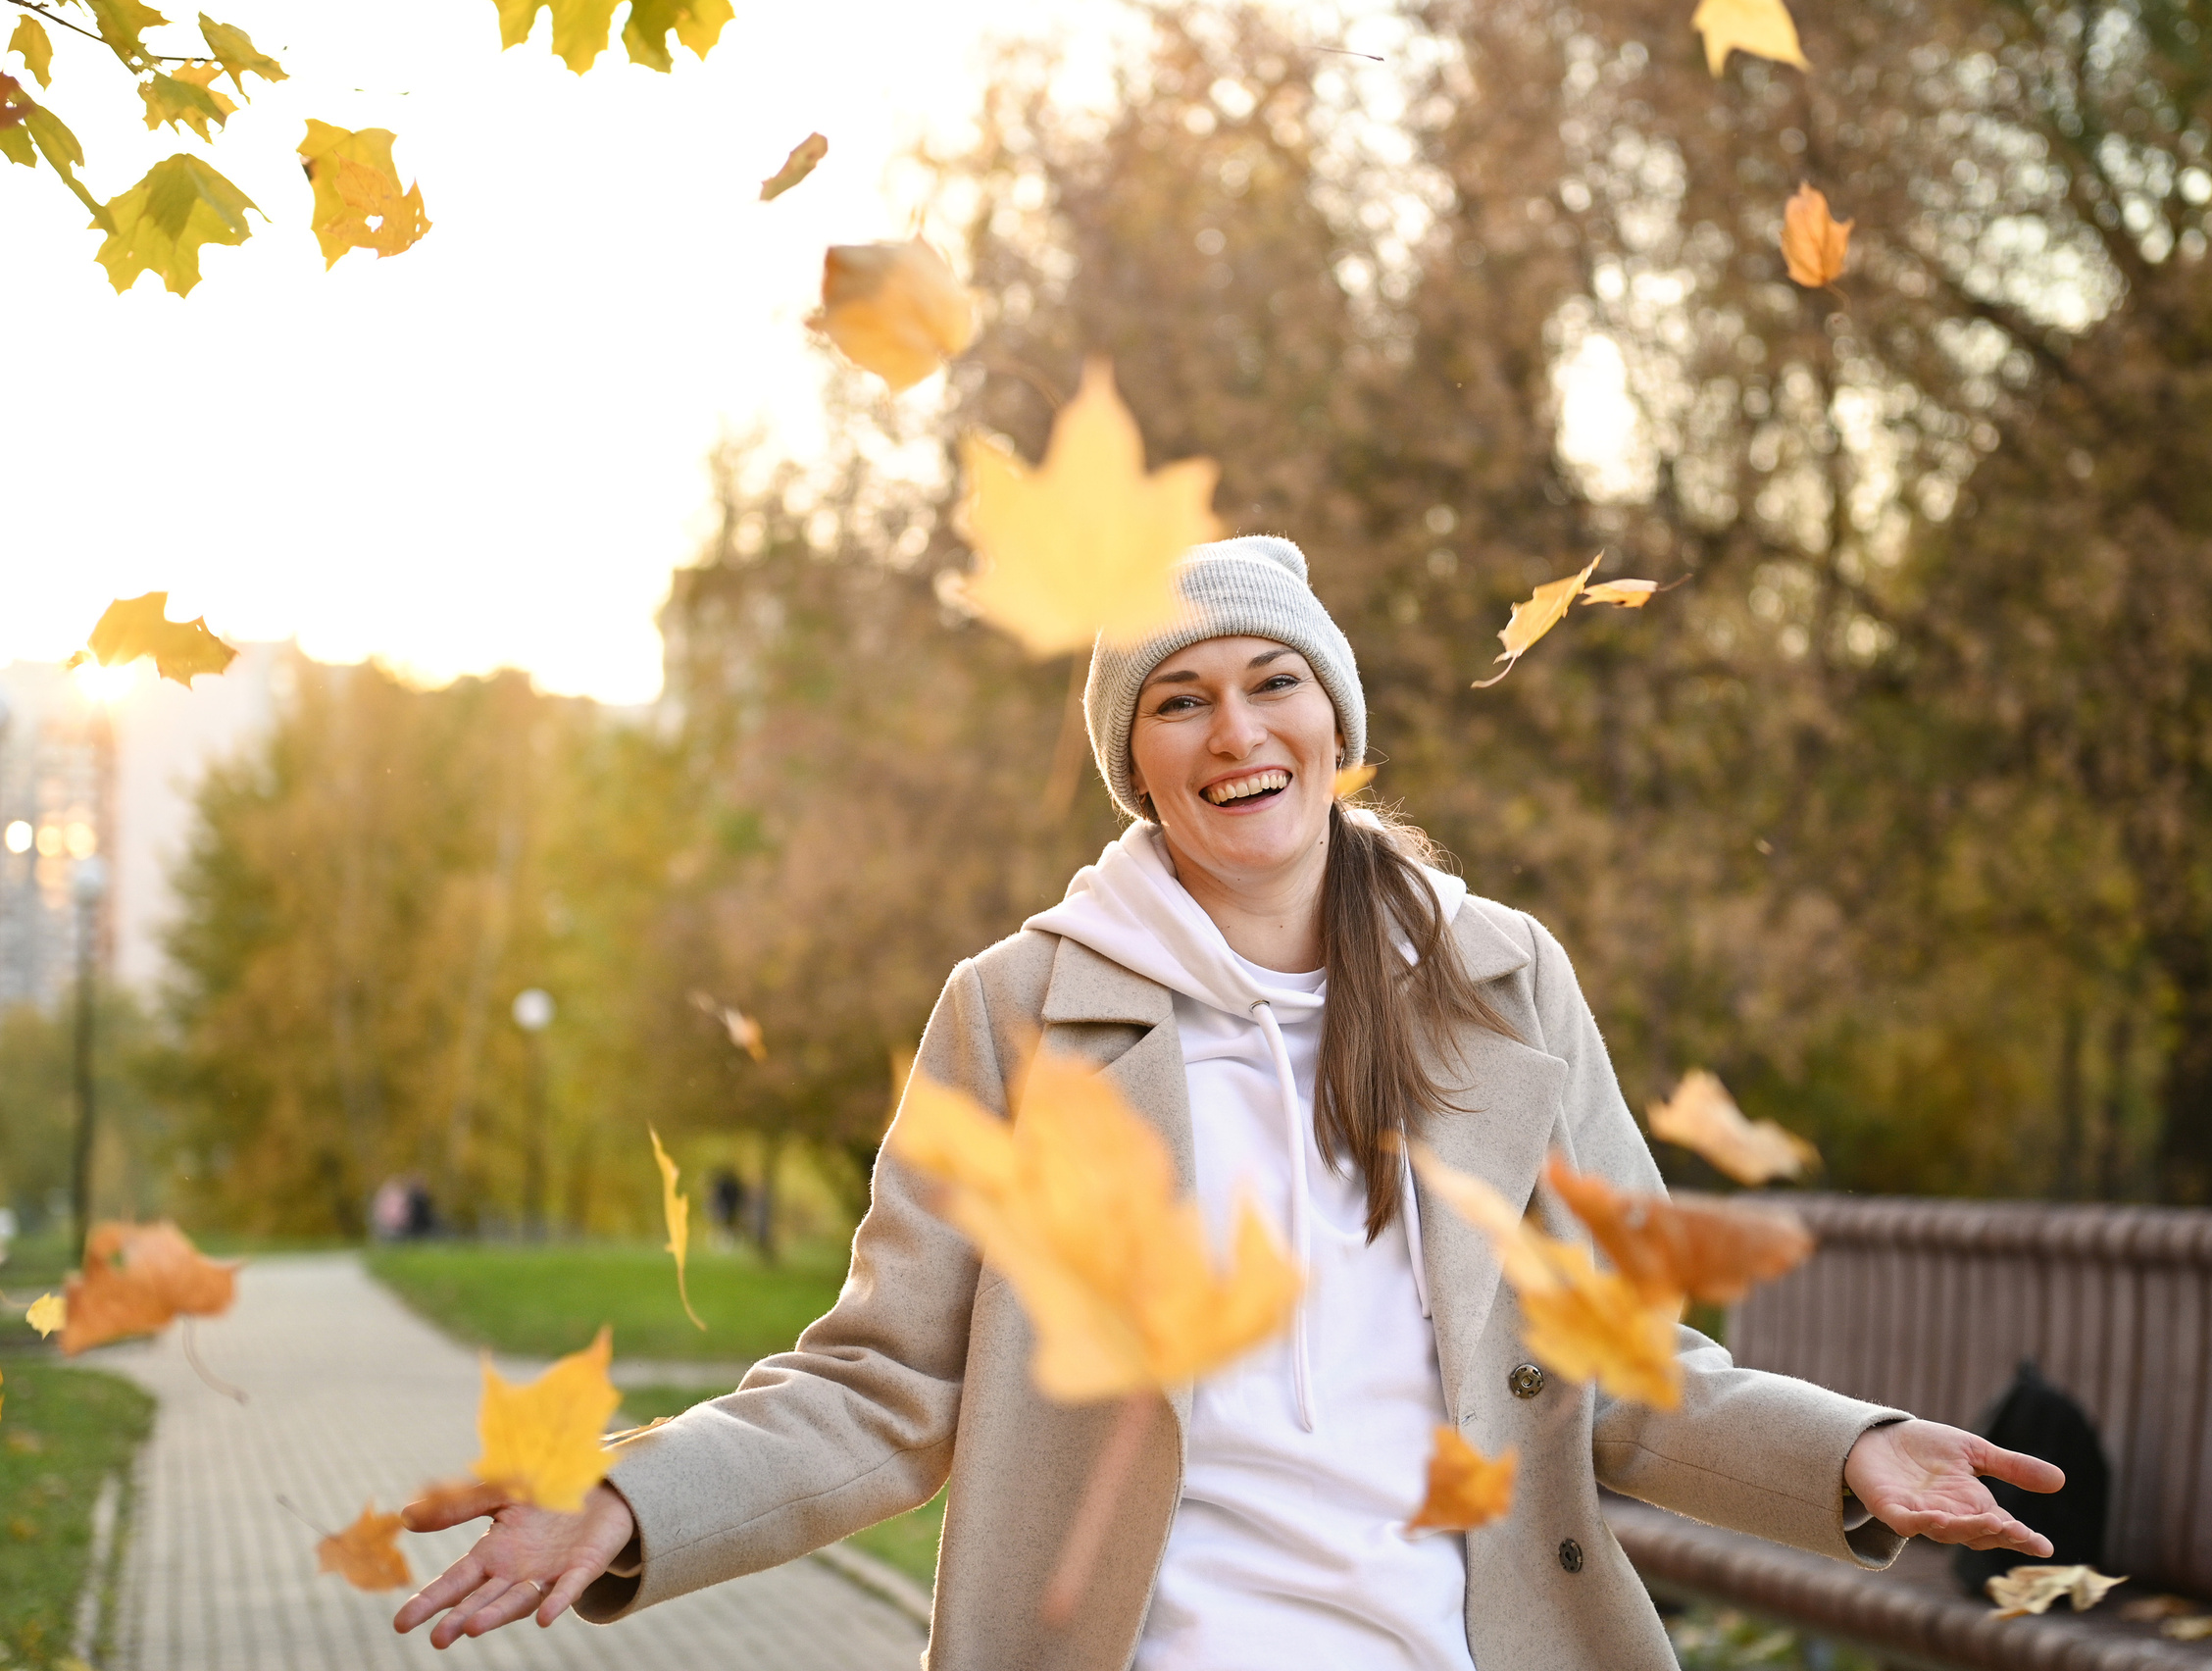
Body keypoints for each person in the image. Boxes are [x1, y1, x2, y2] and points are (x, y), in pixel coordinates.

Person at [397, 536, 2062, 1667]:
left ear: (1334, 723)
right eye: (1178, 701)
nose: (1234, 731)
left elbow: (1622, 1369)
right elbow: (887, 1384)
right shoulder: (1022, 1011)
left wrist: (1850, 1451)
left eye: (1272, 684)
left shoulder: (1500, 981)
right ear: (1140, 761)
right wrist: (630, 1503)